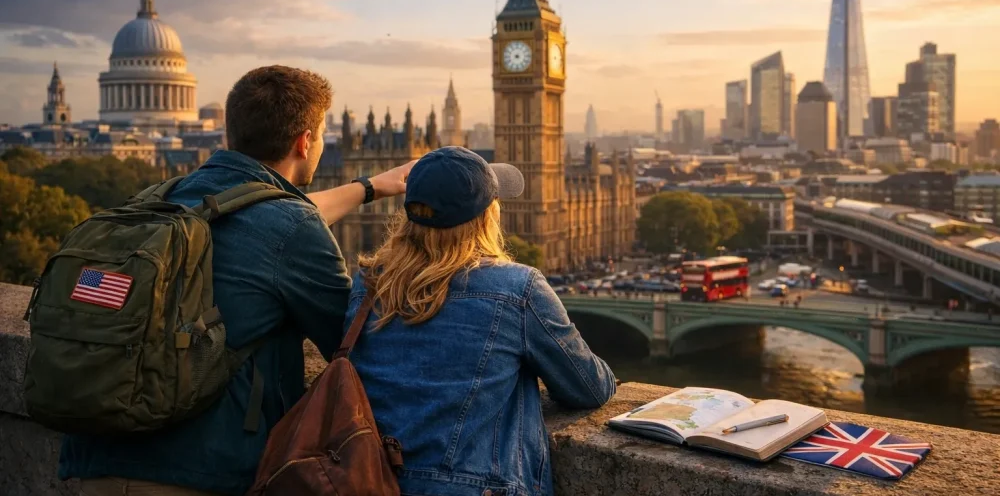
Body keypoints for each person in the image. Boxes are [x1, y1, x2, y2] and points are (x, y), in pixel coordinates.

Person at [60, 66, 415, 496]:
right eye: (322, 135)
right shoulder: (292, 228)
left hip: (96, 463)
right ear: (305, 142)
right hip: (198, 474)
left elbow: (264, 217)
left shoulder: (162, 196)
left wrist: (370, 187)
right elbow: (353, 346)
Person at [343, 146, 617, 496]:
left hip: (366, 481)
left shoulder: (366, 286)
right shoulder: (518, 288)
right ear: (487, 216)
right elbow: (589, 387)